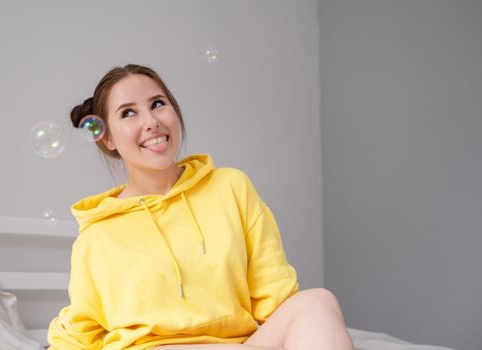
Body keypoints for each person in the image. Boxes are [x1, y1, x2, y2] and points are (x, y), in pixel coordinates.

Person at [47, 64, 354, 350]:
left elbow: (277, 297)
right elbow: (80, 331)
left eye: (157, 104)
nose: (151, 122)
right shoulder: (98, 233)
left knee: (317, 302)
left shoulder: (231, 186)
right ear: (108, 138)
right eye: (128, 113)